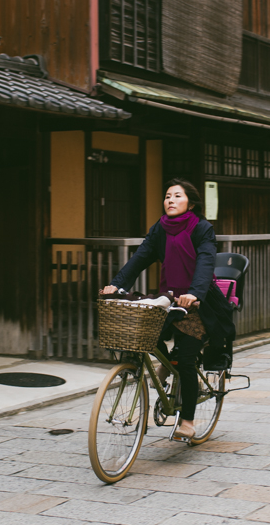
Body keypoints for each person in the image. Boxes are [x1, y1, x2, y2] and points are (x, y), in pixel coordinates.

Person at [100, 179, 235, 442]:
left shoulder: (202, 228)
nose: (170, 200)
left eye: (177, 196)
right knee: (145, 336)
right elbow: (140, 257)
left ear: (191, 203)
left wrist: (195, 293)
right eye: (167, 196)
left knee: (186, 358)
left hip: (201, 301)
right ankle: (167, 366)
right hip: (171, 298)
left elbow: (206, 260)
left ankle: (187, 420)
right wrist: (116, 285)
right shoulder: (160, 228)